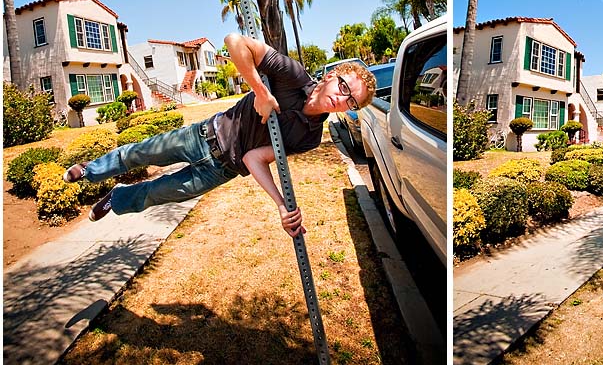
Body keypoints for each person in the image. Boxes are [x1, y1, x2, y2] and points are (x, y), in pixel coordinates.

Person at [64, 33, 376, 237]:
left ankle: (116, 199)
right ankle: (91, 171)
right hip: (201, 135)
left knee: (155, 193)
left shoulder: (309, 137)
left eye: (352, 102)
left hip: (220, 171)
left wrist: (282, 205)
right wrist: (261, 92)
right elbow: (234, 41)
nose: (342, 99)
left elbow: (255, 157)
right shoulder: (293, 76)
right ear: (333, 77)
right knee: (139, 153)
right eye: (344, 88)